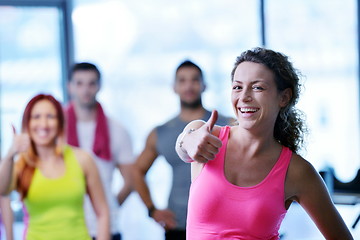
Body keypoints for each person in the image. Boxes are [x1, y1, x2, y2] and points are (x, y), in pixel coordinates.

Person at [175, 48, 354, 240]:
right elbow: (184, 147)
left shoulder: (297, 171)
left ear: (284, 97)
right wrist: (187, 141)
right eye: (237, 87)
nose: (244, 97)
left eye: (257, 87)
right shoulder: (205, 136)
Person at [132, 60, 233, 239]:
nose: (189, 86)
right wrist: (152, 210)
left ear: (204, 86)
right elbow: (137, 171)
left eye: (194, 80)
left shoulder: (226, 125)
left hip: (222, 224)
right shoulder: (160, 133)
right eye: (182, 80)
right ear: (174, 87)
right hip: (178, 225)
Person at [0, 94, 110, 240]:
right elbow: (2, 190)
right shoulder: (21, 164)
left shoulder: (82, 159)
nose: (44, 124)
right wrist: (10, 155)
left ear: (60, 122)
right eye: (36, 117)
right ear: (27, 123)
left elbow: (103, 212)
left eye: (50, 116)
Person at [65, 62, 134, 240]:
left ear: (99, 86)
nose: (85, 90)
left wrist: (110, 205)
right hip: (67, 226)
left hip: (106, 227)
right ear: (70, 86)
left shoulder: (117, 130)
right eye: (79, 83)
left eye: (91, 83)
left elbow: (130, 180)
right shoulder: (56, 130)